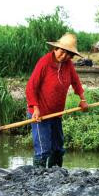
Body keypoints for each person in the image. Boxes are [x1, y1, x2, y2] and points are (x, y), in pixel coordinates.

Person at [26, 33, 89, 168]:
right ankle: (37, 178)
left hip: (56, 113)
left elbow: (76, 82)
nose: (64, 56)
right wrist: (35, 109)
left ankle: (56, 176)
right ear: (55, 49)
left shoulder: (68, 65)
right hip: (40, 114)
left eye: (68, 54)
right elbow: (31, 87)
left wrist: (83, 99)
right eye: (62, 51)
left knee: (58, 149)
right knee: (43, 150)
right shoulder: (44, 62)